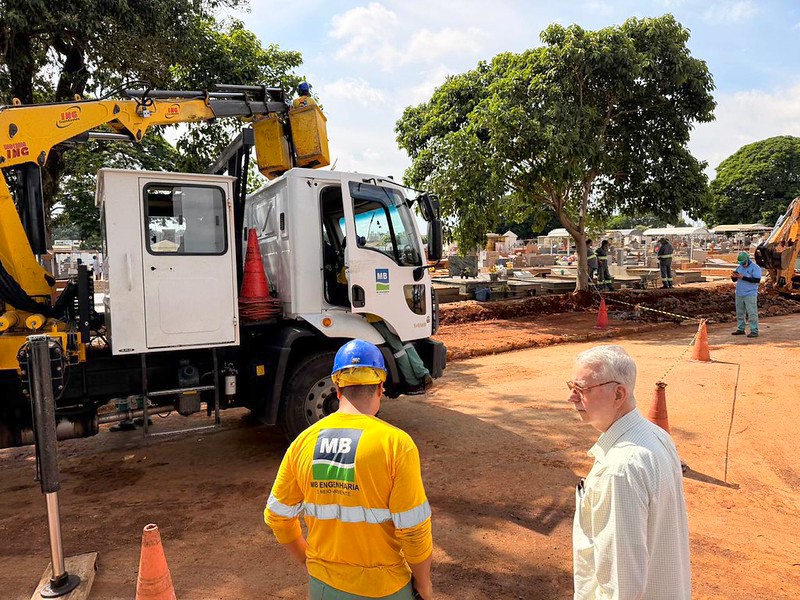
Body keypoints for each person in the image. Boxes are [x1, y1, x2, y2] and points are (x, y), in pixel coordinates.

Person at [264, 339, 433, 600]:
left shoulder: (303, 442)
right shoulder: (396, 444)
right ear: (380, 388)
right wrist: (424, 584)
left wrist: (310, 562)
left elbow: (277, 516)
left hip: (323, 586)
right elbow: (413, 529)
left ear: (338, 390)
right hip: (383, 587)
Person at [568, 345, 691, 600]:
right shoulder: (656, 436)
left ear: (618, 394)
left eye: (581, 389)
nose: (572, 397)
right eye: (571, 387)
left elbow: (621, 585)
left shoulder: (619, 470)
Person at [731, 251, 762, 338]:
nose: (743, 265)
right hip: (740, 293)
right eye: (741, 263)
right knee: (740, 312)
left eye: (744, 263)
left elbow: (756, 280)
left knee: (752, 313)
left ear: (747, 260)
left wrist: (743, 277)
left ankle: (754, 330)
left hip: (750, 293)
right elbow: (735, 280)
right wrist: (734, 277)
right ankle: (741, 329)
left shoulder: (755, 268)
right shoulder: (739, 267)